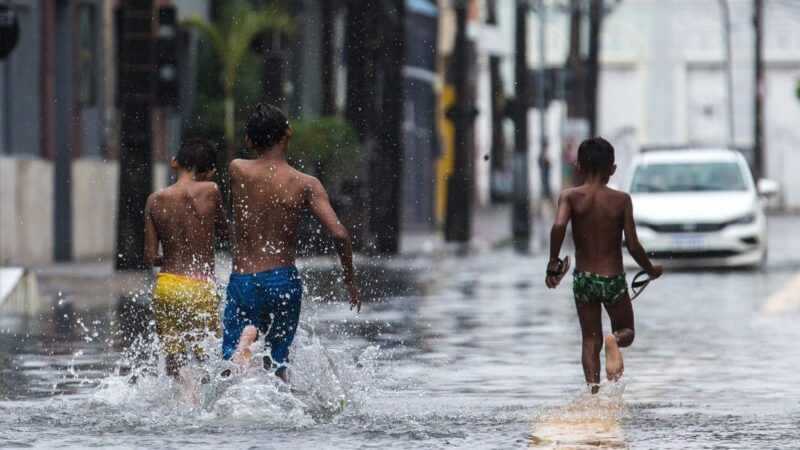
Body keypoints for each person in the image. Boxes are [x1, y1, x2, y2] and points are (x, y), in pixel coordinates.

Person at [223, 103, 361, 382]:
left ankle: (246, 341)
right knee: (277, 362)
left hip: (244, 278)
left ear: (249, 140)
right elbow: (339, 234)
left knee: (230, 364)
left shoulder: (238, 170)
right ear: (289, 132)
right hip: (282, 280)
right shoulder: (305, 184)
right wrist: (349, 278)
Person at [545, 136, 663, 393]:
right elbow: (632, 246)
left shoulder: (569, 197)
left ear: (578, 167)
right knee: (627, 330)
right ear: (612, 170)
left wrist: (553, 263)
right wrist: (650, 269)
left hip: (584, 280)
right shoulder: (621, 200)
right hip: (612, 279)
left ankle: (593, 396)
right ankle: (614, 340)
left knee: (590, 341)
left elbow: (558, 226)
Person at [144, 138, 230, 393]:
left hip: (167, 286)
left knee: (173, 361)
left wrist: (170, 258)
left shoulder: (155, 200)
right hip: (200, 288)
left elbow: (150, 256)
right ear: (208, 171)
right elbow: (224, 235)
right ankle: (201, 400)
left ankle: (185, 390)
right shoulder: (211, 190)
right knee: (208, 359)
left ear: (174, 163)